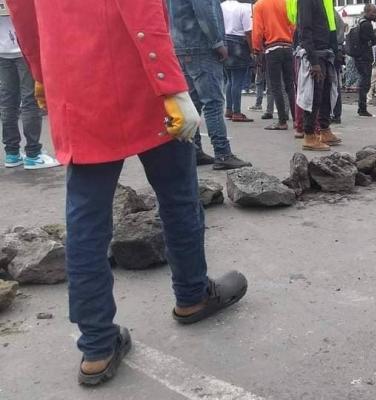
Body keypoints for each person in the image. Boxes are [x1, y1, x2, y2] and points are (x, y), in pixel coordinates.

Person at [7, 0, 249, 385]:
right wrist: (171, 84)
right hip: (140, 78)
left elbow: (22, 10)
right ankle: (192, 295)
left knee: (86, 219)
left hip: (75, 83)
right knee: (178, 196)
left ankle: (97, 346)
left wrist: (41, 71)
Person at [167, 0, 251, 170]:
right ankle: (223, 153)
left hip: (182, 46)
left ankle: (194, 151)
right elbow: (205, 11)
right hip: (201, 47)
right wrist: (217, 42)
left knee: (192, 102)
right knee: (213, 102)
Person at [0, 14, 58, 170]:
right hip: (23, 47)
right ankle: (33, 153)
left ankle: (12, 152)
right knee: (30, 100)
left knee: (7, 102)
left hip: (3, 48)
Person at [296, 0, 341, 150]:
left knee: (326, 94)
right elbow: (305, 30)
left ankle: (324, 129)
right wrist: (313, 61)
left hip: (326, 52)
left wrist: (335, 51)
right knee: (314, 95)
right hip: (315, 54)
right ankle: (309, 135)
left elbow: (331, 25)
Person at [253, 0, 298, 131]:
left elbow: (257, 29)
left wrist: (256, 49)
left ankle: (282, 121)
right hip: (288, 47)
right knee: (290, 85)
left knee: (276, 86)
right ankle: (297, 120)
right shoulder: (286, 2)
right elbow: (293, 25)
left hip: (272, 48)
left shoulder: (259, 5)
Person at [221, 0, 254, 123]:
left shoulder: (222, 6)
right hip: (239, 43)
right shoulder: (244, 8)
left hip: (224, 42)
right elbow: (248, 32)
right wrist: (253, 50)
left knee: (229, 79)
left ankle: (229, 109)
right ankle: (237, 112)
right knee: (237, 80)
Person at [355, 4, 376, 117]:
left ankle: (362, 107)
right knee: (365, 83)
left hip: (359, 57)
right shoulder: (366, 25)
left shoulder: (360, 22)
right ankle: (362, 108)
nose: (375, 14)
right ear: (367, 12)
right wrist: (375, 36)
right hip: (364, 58)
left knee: (363, 82)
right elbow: (374, 40)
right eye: (373, 12)